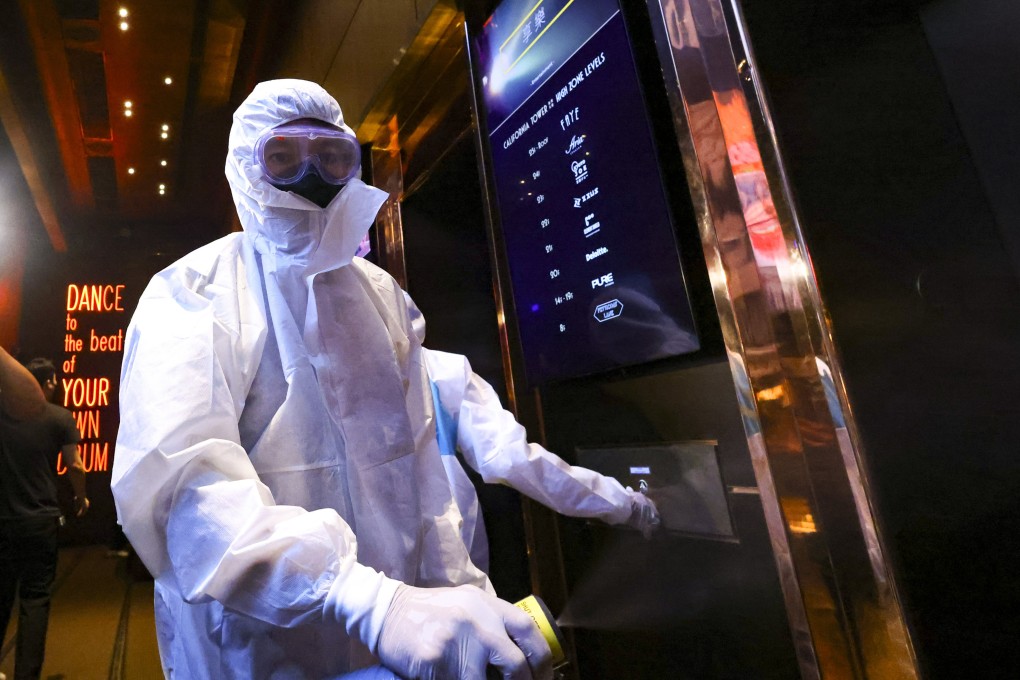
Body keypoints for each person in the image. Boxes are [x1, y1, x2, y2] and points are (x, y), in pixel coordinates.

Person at [111, 79, 649, 680]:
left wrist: (464, 599)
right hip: (260, 647)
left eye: (331, 156)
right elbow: (187, 492)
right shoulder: (195, 294)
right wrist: (365, 600)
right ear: (245, 167)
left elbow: (425, 476)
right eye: (282, 157)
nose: (311, 176)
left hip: (395, 646)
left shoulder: (381, 297)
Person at [403, 295, 660, 575]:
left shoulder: (369, 377)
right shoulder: (439, 371)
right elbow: (509, 458)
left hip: (375, 587)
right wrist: (625, 505)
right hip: (444, 568)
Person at [0, 355, 89, 680]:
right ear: (49, 383)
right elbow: (75, 465)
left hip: (3, 520)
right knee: (35, 598)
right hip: (40, 519)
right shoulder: (59, 417)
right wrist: (80, 496)